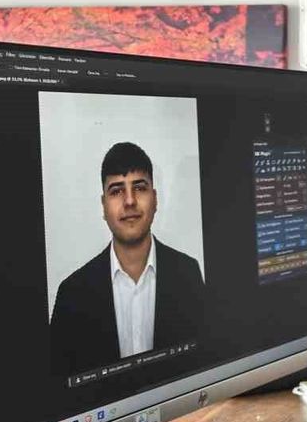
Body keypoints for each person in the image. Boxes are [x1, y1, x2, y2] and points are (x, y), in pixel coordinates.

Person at [50, 142, 206, 376]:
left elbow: (203, 363)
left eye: (139, 188)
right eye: (116, 191)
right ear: (104, 206)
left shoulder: (188, 273)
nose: (130, 201)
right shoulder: (71, 294)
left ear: (155, 199)